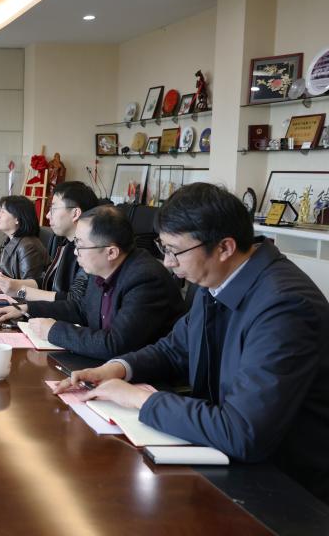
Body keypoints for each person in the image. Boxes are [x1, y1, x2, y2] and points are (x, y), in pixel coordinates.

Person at [56, 183, 329, 502]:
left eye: (175, 251)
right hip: (223, 460)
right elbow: (174, 348)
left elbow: (243, 431)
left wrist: (140, 399)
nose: (168, 262)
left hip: (287, 488)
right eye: (163, 248)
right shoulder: (216, 280)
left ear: (224, 247)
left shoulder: (284, 306)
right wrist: (116, 369)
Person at [0, 205, 184, 360]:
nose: (75, 252)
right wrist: (26, 309)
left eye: (80, 245)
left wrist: (53, 331)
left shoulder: (145, 279)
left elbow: (116, 345)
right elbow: (79, 309)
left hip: (147, 381)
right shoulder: (103, 267)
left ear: (111, 252)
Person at [0, 181, 99, 303]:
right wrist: (11, 285)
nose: (47, 215)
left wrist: (19, 291)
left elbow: (73, 301)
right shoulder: (65, 243)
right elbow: (47, 281)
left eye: (53, 209)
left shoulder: (90, 251)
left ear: (75, 213)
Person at [0, 195, 49, 280]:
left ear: (17, 219)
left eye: (3, 212)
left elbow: (29, 285)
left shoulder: (28, 246)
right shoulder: (9, 241)